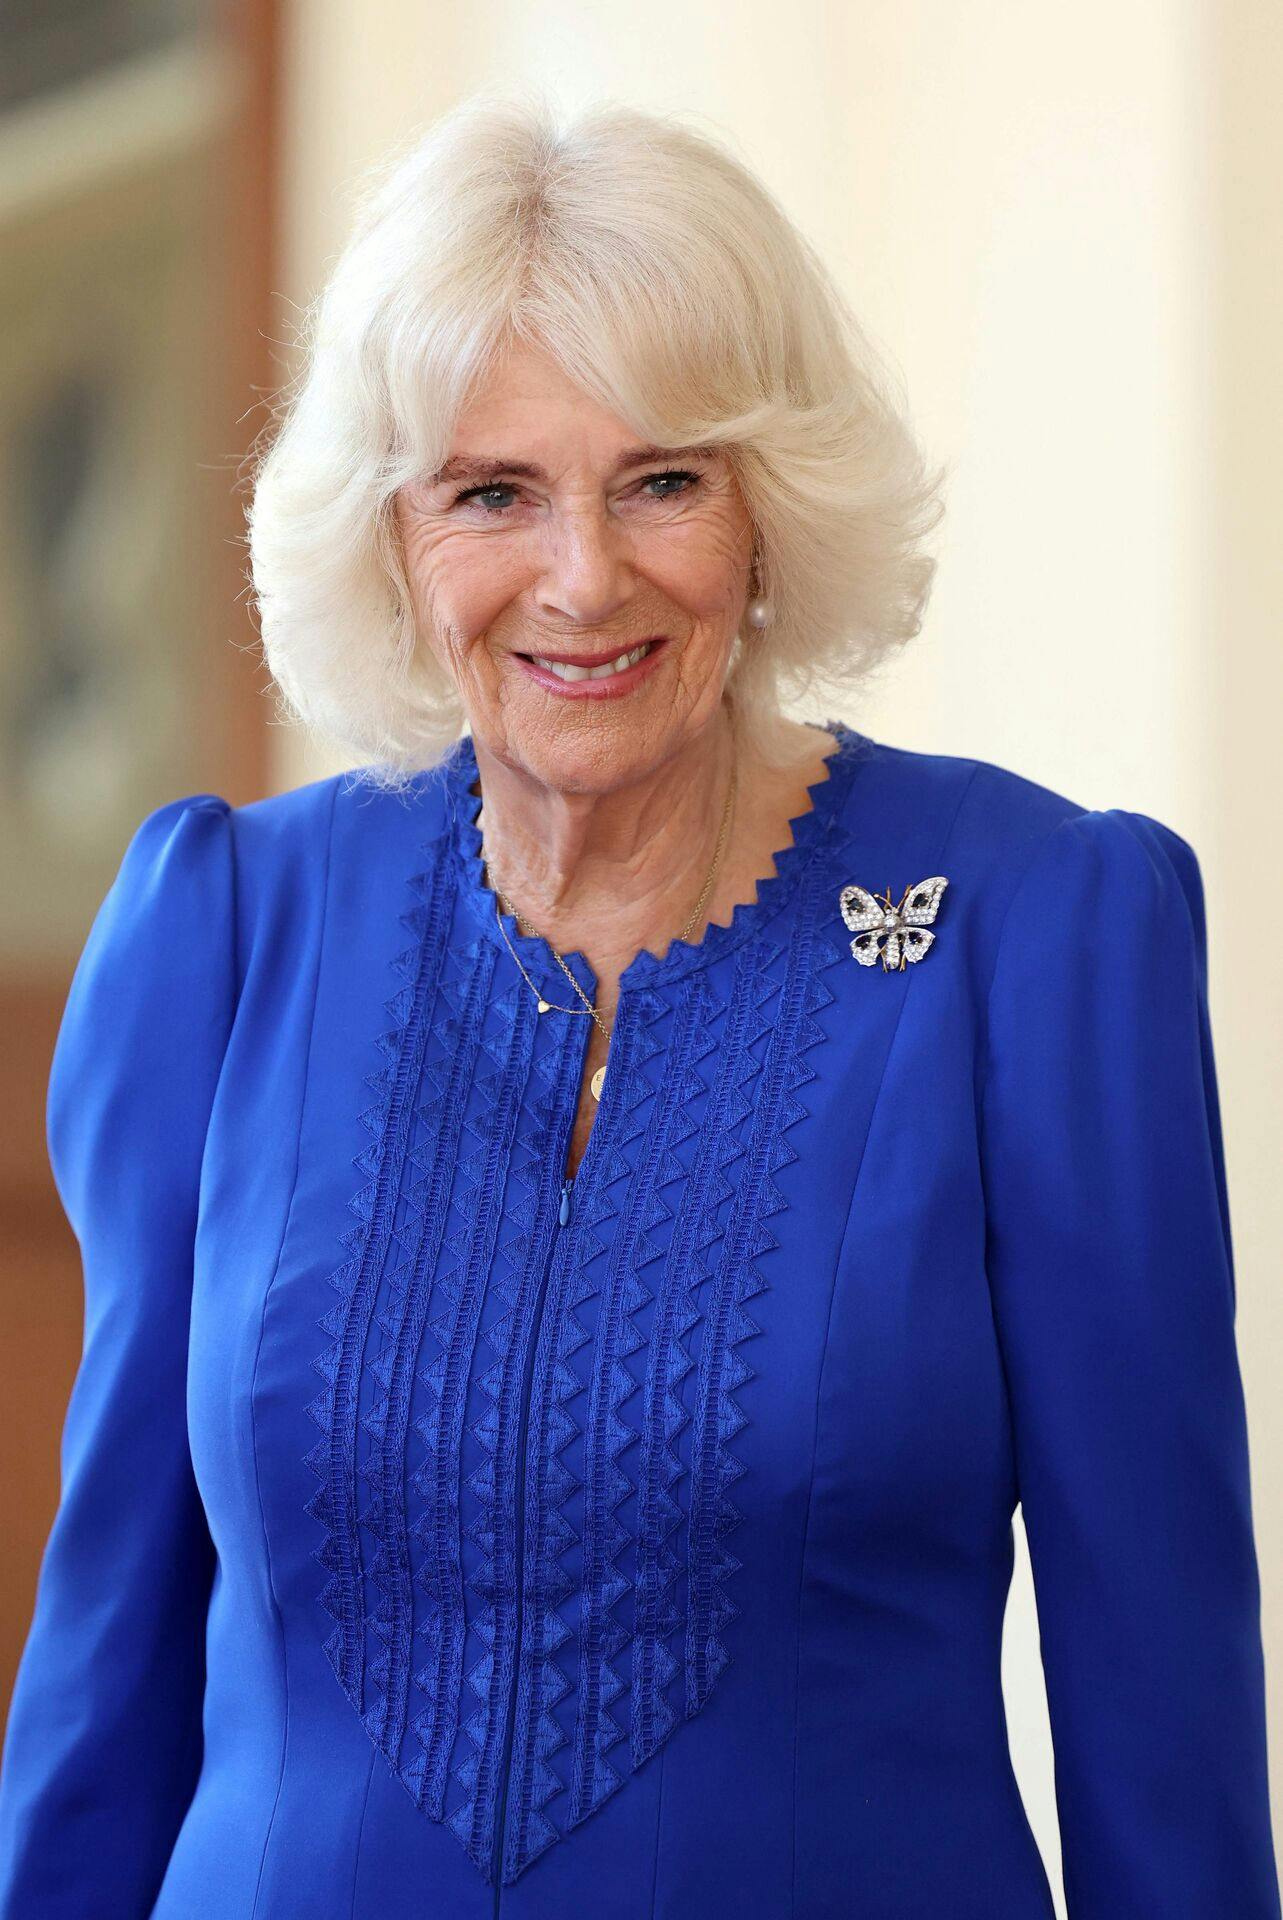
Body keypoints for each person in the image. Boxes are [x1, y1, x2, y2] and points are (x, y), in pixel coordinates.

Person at [0, 92, 1278, 1920]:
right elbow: (105, 1680)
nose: (582, 577)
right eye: (492, 492)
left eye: (664, 479)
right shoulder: (218, 933)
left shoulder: (1037, 937)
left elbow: (1163, 1725)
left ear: (773, 511)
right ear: (394, 536)